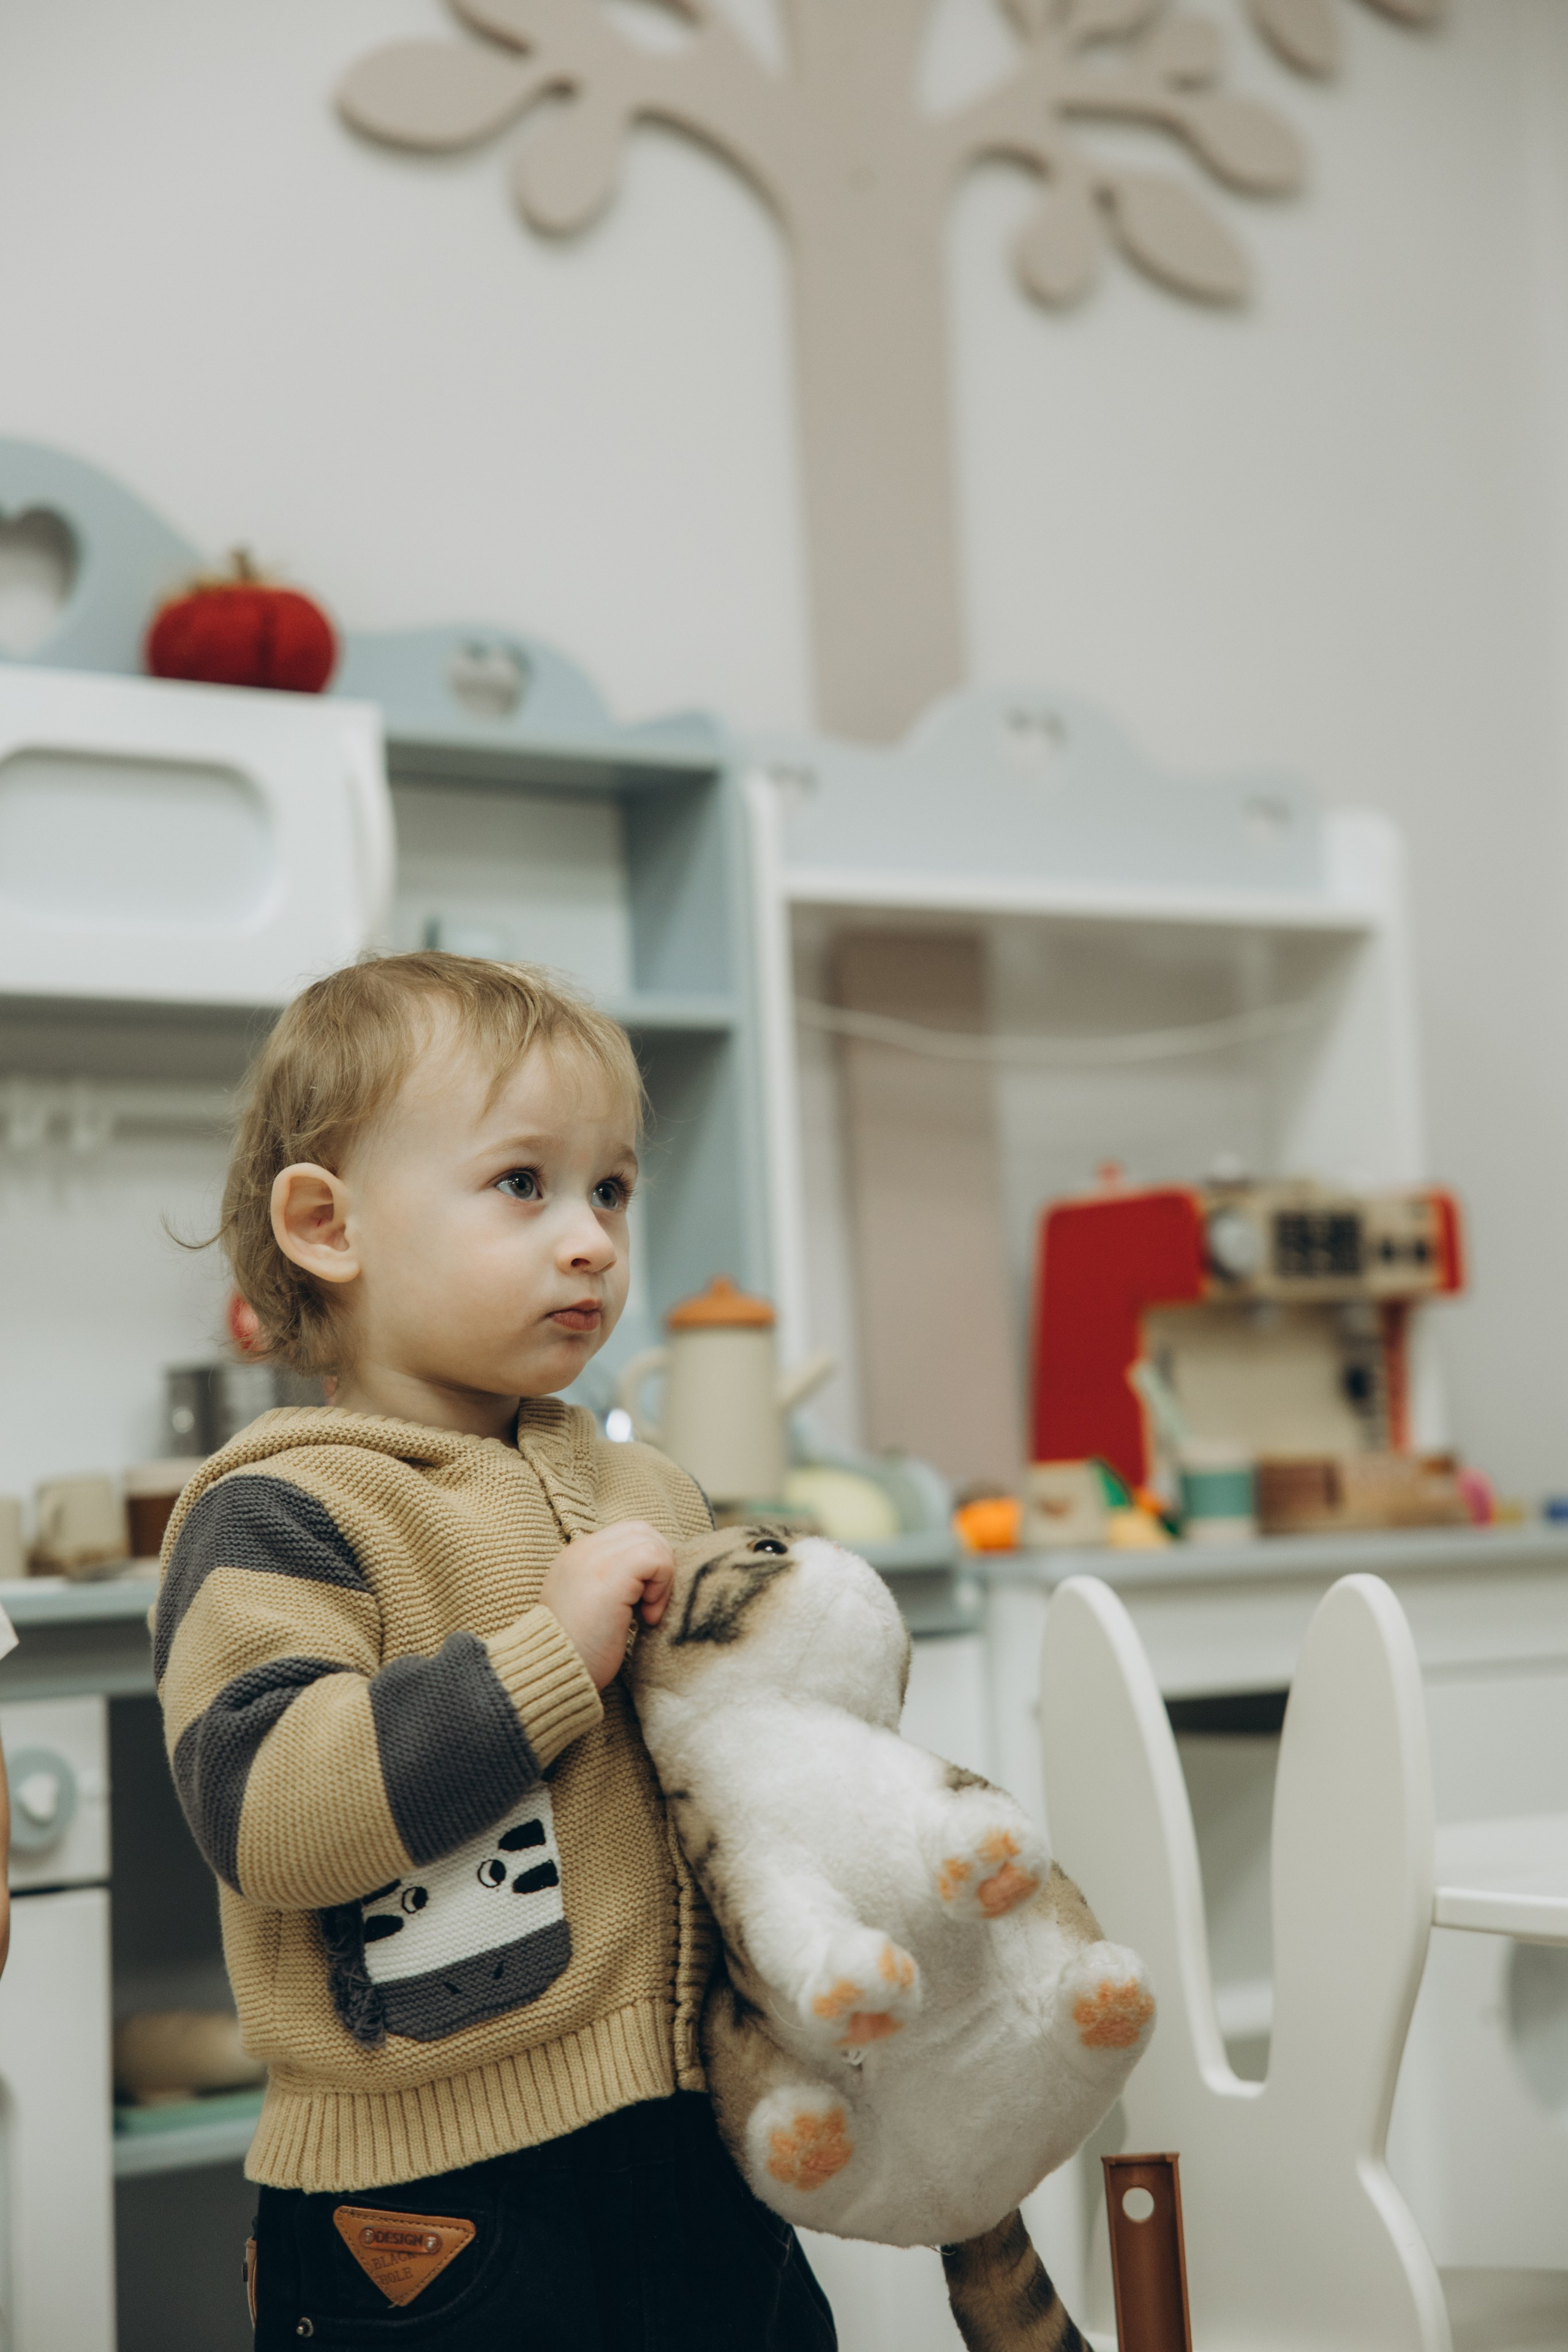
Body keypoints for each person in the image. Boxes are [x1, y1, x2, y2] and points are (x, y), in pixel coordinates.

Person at [154, 953, 835, 2350]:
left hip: (685, 2137)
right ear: (327, 1226)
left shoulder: (648, 1487)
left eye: (611, 1189)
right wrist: (545, 1662)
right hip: (429, 2207)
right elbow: (266, 1813)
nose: (590, 1240)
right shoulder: (283, 1508)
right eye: (523, 1183)